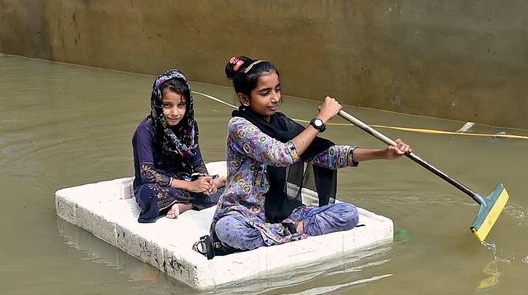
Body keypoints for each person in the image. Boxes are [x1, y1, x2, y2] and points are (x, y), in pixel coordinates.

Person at [208, 56, 412, 252]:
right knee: (228, 230)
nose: (275, 98)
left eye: (277, 90)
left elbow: (327, 155)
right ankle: (293, 231)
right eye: (265, 93)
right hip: (244, 213)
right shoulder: (239, 126)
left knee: (348, 214)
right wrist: (320, 120)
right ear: (244, 98)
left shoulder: (282, 124)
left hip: (286, 213)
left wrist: (384, 153)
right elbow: (281, 155)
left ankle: (282, 233)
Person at [132, 69, 226, 223]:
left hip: (183, 178)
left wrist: (205, 181)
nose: (175, 112)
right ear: (157, 103)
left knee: (232, 189)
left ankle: (186, 205)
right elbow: (147, 175)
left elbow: (197, 162)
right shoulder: (145, 130)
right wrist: (191, 186)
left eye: (181, 105)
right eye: (167, 105)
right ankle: (202, 194)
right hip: (158, 185)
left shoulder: (190, 127)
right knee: (149, 196)